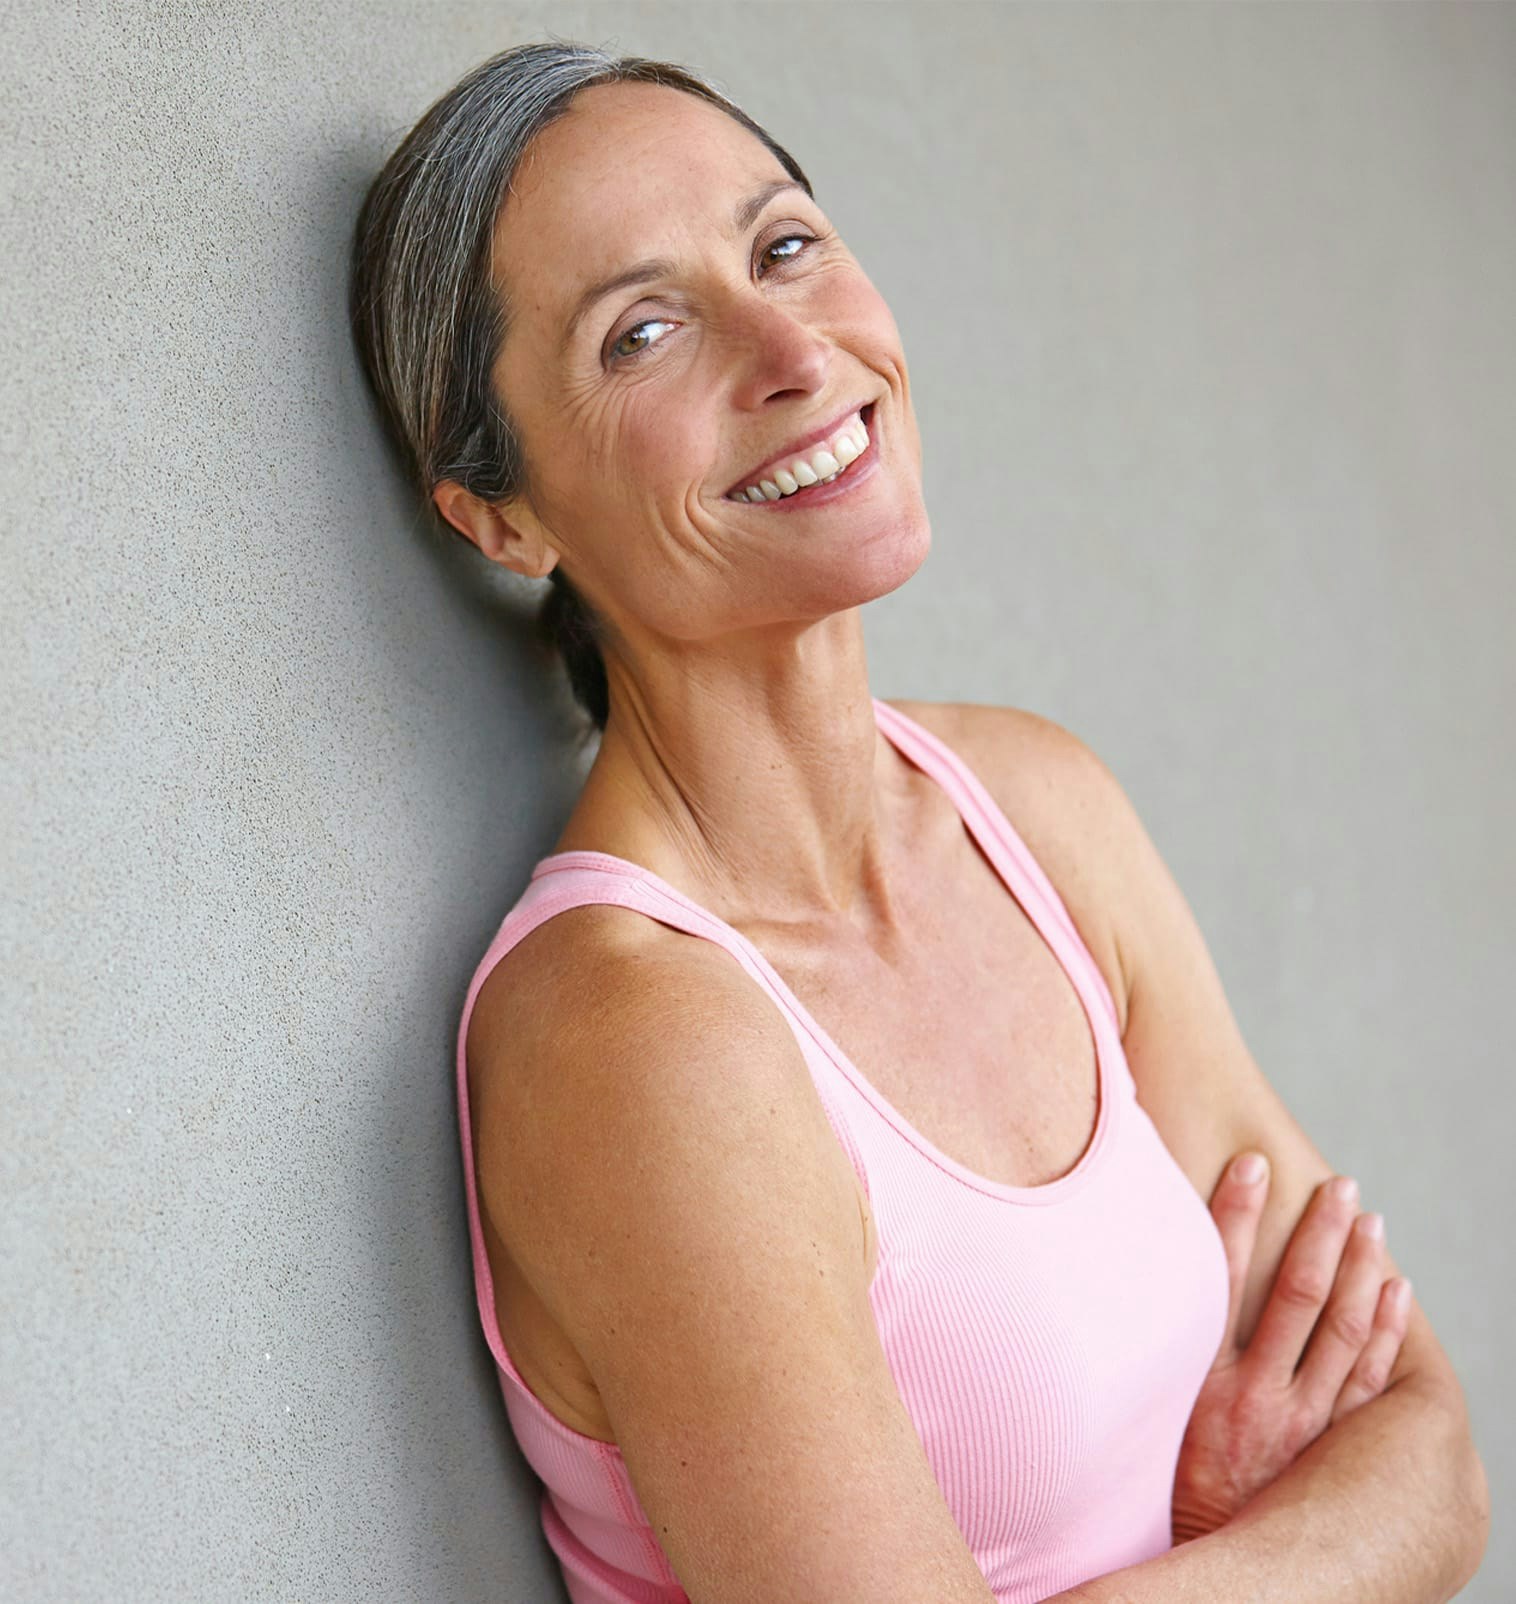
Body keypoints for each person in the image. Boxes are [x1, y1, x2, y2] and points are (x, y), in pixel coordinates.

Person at [347, 41, 1487, 1604]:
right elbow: (1377, 1517)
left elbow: (1433, 1461)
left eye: (786, 247)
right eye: (648, 331)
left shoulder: (1035, 806)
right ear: (503, 517)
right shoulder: (637, 1039)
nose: (794, 352)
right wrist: (1231, 1533)